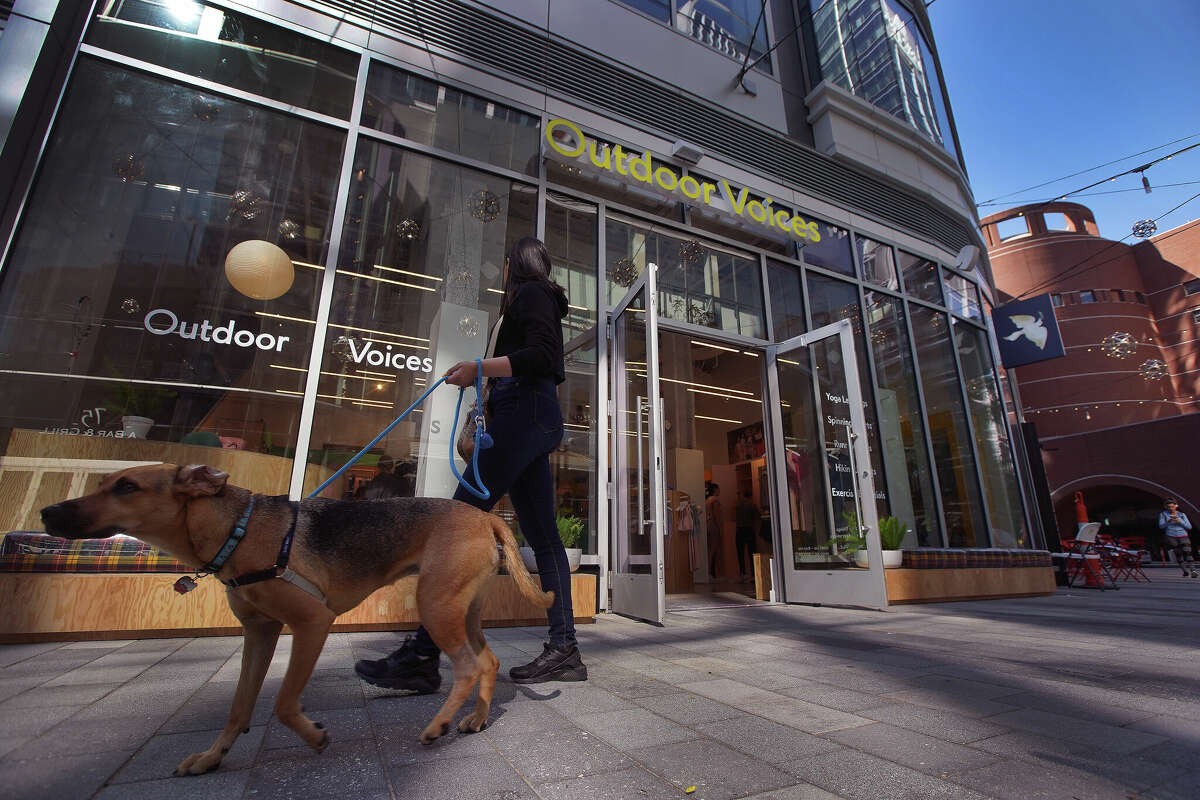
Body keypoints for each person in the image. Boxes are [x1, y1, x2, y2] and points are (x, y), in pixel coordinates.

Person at [355, 236, 586, 690]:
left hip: (522, 417)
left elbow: (542, 357)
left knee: (455, 524)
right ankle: (565, 649)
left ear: (511, 267)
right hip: (533, 418)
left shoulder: (532, 294)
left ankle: (422, 655)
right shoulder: (537, 300)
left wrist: (478, 368)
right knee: (543, 538)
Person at [1158, 497, 1195, 577]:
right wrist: (1168, 522)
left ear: (1176, 506)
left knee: (1188, 552)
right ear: (1165, 507)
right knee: (1178, 554)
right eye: (1169, 507)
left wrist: (1180, 521)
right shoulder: (1163, 514)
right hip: (1171, 536)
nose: (1171, 509)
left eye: (1172, 506)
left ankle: (1193, 571)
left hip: (1183, 535)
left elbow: (1189, 527)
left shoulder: (1181, 515)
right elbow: (1161, 526)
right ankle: (1185, 571)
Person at [734, 491, 758, 582]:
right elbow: (756, 516)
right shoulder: (752, 505)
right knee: (752, 552)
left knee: (740, 552)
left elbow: (734, 517)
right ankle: (753, 573)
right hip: (749, 529)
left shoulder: (737, 506)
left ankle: (742, 573)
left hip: (739, 529)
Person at [705, 481, 724, 580]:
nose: (719, 491)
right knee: (714, 549)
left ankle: (710, 572)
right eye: (718, 489)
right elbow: (716, 515)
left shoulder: (707, 500)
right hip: (713, 525)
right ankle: (711, 573)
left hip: (707, 524)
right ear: (715, 490)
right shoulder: (715, 500)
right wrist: (720, 527)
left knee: (709, 549)